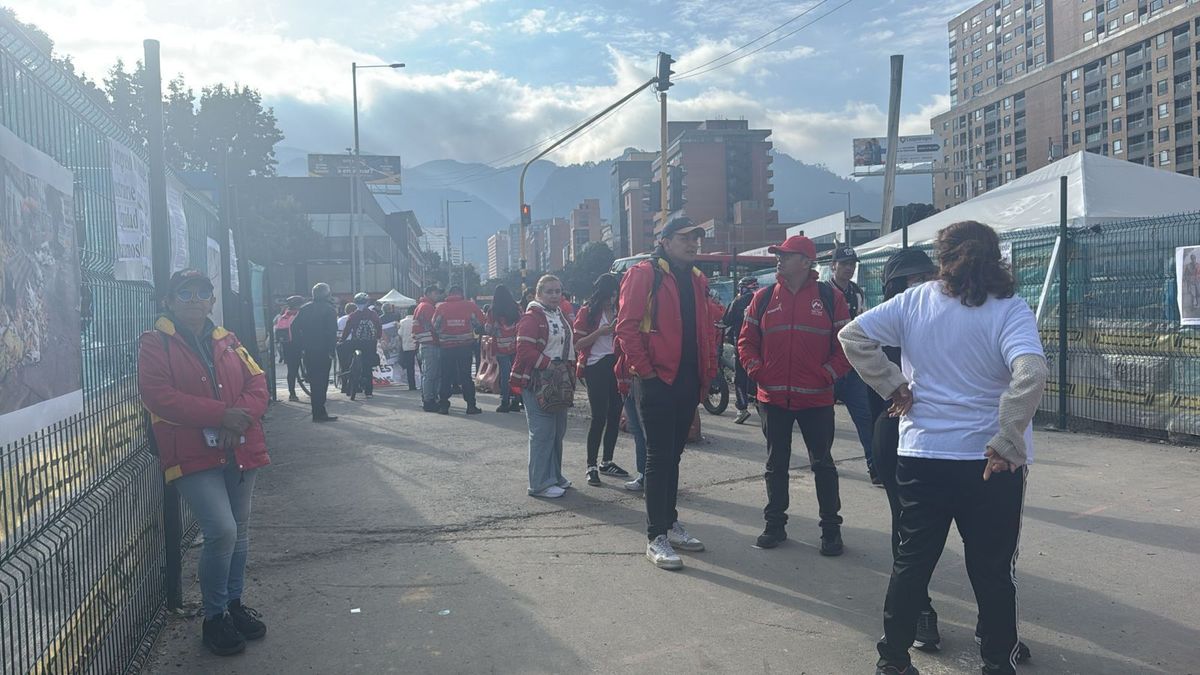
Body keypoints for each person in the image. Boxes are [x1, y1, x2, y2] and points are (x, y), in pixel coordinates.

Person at [839, 221, 1048, 675]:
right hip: (989, 462)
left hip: (922, 454)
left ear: (942, 256)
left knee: (912, 562)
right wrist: (1008, 436)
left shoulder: (915, 301)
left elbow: (852, 336)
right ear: (997, 257)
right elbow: (1030, 372)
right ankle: (996, 660)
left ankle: (892, 660)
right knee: (993, 568)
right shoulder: (1009, 309)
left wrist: (893, 386)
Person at [138, 268, 269, 656]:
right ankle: (214, 618)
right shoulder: (154, 343)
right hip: (192, 454)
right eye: (184, 293)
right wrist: (220, 415)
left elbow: (257, 384)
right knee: (222, 530)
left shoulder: (227, 339)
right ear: (169, 301)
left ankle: (232, 604)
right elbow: (158, 396)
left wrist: (236, 418)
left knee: (239, 531)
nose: (194, 299)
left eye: (202, 293)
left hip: (239, 446)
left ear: (212, 300)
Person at [738, 235, 852, 555]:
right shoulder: (762, 298)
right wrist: (757, 370)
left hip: (816, 399)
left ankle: (831, 530)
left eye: (785, 255)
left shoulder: (830, 298)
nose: (779, 259)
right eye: (779, 254)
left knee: (823, 465)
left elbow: (846, 346)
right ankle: (775, 525)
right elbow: (746, 342)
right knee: (776, 464)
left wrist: (827, 374)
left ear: (805, 262)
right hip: (773, 399)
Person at [615, 217, 716, 570]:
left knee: (673, 455)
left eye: (696, 239)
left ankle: (670, 523)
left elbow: (705, 329)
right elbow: (626, 328)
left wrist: (708, 372)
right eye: (686, 238)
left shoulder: (696, 278)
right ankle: (655, 536)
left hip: (688, 380)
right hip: (657, 379)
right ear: (666, 240)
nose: (693, 244)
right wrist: (646, 372)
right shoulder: (645, 273)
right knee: (658, 457)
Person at [511, 275, 575, 498]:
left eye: (558, 291)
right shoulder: (531, 318)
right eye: (549, 291)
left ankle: (554, 476)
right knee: (542, 433)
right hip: (537, 380)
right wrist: (551, 365)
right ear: (538, 294)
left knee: (557, 432)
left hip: (557, 380)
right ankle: (539, 483)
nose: (555, 295)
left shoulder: (558, 314)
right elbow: (524, 352)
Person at [829, 244, 882, 485]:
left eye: (852, 264)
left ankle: (875, 468)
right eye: (844, 264)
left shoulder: (857, 292)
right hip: (827, 367)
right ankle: (820, 460)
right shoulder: (823, 292)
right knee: (822, 421)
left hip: (851, 367)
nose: (849, 268)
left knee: (865, 418)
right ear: (833, 266)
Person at [573, 273, 631, 486]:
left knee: (615, 413)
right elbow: (578, 344)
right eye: (609, 295)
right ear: (601, 294)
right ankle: (591, 465)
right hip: (594, 366)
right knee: (599, 416)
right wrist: (601, 331)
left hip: (614, 366)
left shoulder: (619, 310)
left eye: (615, 294)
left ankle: (607, 461)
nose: (612, 299)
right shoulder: (587, 312)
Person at [432, 285, 485, 414]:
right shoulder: (470, 306)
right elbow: (481, 322)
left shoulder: (441, 307)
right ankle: (471, 405)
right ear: (461, 294)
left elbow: (434, 325)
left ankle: (444, 405)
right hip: (465, 346)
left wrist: (444, 336)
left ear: (449, 294)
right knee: (465, 376)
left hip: (446, 347)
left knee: (446, 376)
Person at [291, 282, 339, 422]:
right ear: (327, 294)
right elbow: (332, 332)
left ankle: (317, 412)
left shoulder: (305, 309)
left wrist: (301, 344)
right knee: (322, 381)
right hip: (323, 351)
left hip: (308, 350)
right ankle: (320, 412)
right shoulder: (329, 310)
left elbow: (294, 327)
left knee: (313, 381)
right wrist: (331, 350)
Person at [722, 276, 759, 424]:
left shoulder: (738, 301)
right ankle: (762, 404)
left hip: (743, 346)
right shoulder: (764, 298)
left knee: (740, 379)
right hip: (761, 347)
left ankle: (742, 408)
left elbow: (726, 320)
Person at [340, 292, 383, 399]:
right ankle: (368, 392)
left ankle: (350, 381)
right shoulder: (373, 314)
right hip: (370, 343)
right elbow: (378, 327)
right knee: (368, 367)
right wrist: (377, 337)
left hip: (357, 343)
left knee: (350, 359)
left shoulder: (353, 315)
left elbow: (347, 329)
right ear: (367, 302)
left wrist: (342, 340)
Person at [486, 285, 521, 412]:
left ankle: (505, 402)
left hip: (501, 347)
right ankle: (517, 401)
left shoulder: (493, 311)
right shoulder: (516, 308)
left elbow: (489, 329)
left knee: (505, 376)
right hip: (516, 346)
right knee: (516, 374)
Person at [414, 285, 444, 412]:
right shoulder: (427, 307)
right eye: (437, 294)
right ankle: (429, 400)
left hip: (425, 343)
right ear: (430, 293)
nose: (438, 296)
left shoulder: (421, 306)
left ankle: (427, 398)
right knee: (432, 374)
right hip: (431, 343)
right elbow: (435, 325)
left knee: (428, 374)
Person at [273, 295, 306, 402]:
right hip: (300, 344)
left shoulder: (284, 315)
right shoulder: (300, 315)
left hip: (287, 345)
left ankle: (292, 394)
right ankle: (308, 376)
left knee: (291, 370)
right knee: (310, 361)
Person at [397, 306, 419, 391]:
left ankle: (412, 385)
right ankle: (423, 384)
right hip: (417, 346)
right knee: (421, 367)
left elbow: (400, 334)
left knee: (410, 367)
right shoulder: (417, 321)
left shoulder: (402, 322)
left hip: (406, 347)